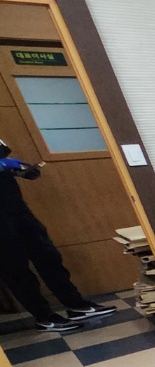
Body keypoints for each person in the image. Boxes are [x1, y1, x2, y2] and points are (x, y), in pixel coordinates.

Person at [0, 139, 116, 333]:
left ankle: (75, 305)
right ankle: (44, 317)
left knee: (48, 255)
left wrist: (18, 171)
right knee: (16, 267)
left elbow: (4, 158)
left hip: (16, 207)